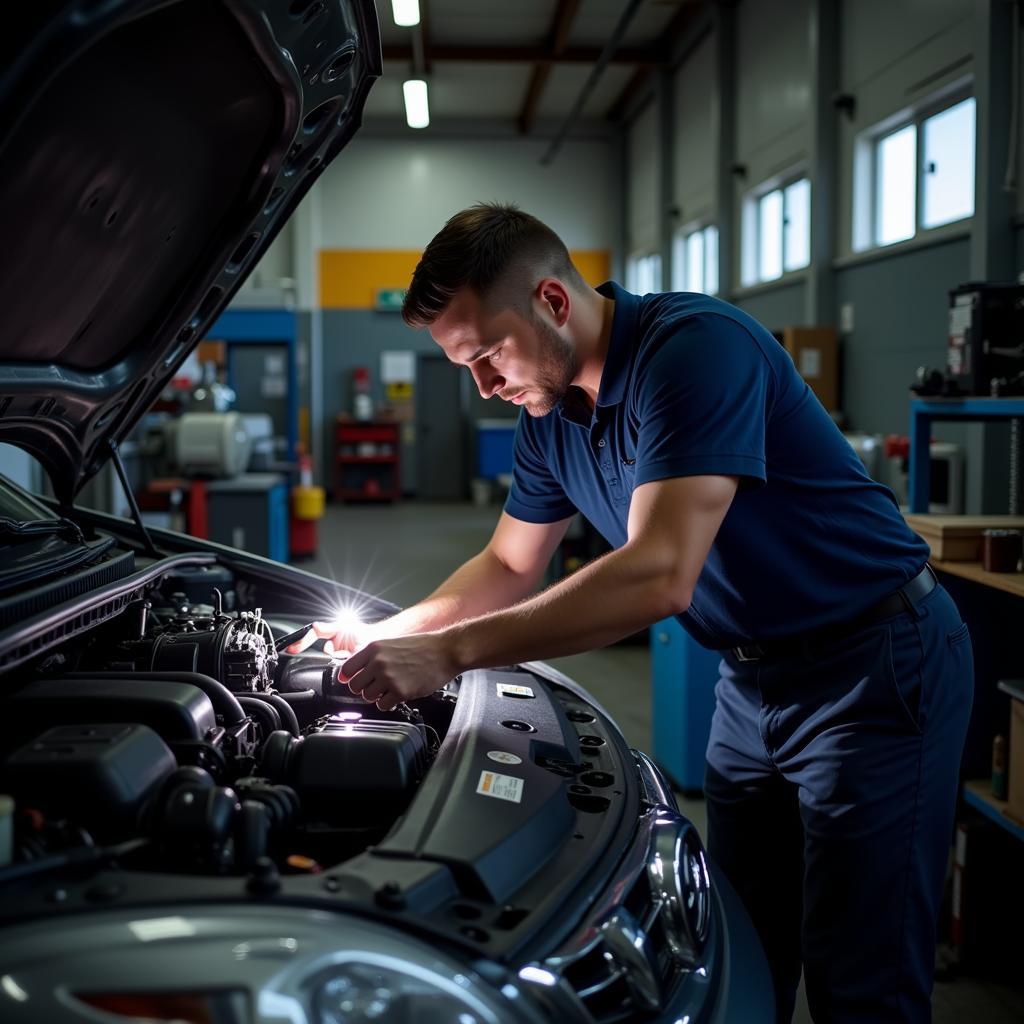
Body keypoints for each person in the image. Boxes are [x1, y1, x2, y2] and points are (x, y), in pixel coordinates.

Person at [290, 203, 973, 1023]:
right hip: (751, 685)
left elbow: (659, 576)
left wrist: (448, 656)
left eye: (489, 355)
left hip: (873, 668)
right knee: (743, 948)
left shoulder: (693, 352)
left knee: (861, 978)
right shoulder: (549, 417)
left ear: (552, 300)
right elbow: (510, 563)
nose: (484, 385)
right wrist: (389, 632)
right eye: (463, 367)